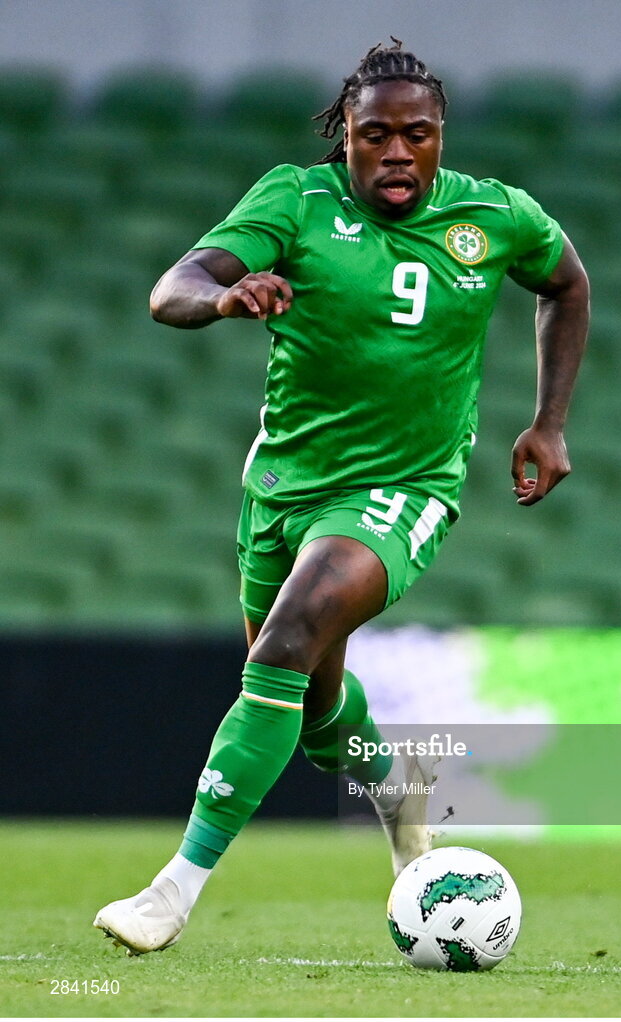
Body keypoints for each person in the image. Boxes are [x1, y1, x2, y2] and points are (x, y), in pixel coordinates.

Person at [94, 40, 589, 955]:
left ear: (441, 138)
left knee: (286, 641)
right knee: (315, 715)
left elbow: (564, 283)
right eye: (375, 135)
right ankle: (399, 789)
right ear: (346, 139)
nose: (397, 153)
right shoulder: (294, 198)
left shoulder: (496, 216)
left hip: (404, 489)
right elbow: (172, 289)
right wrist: (224, 298)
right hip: (283, 489)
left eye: (417, 134)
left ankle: (173, 891)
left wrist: (548, 421)